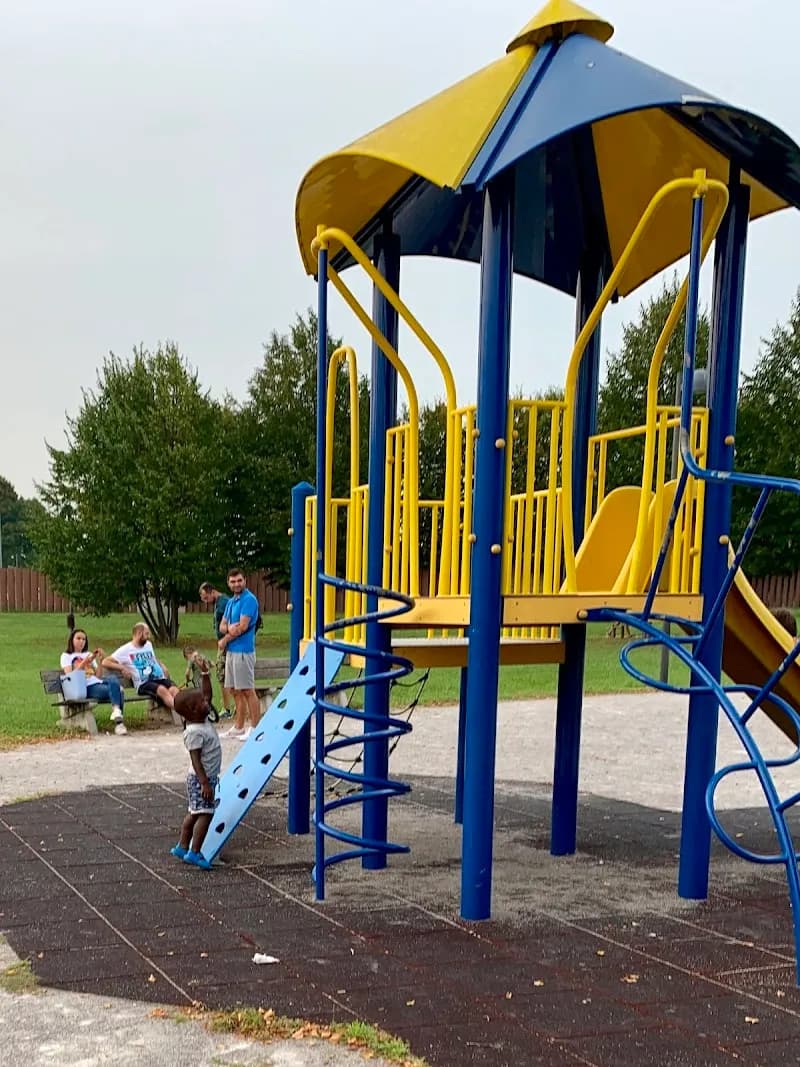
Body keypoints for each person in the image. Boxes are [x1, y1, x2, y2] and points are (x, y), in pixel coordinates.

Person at [170, 662, 220, 870]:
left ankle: (182, 846)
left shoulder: (201, 716)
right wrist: (204, 783)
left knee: (194, 812)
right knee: (205, 814)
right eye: (201, 701)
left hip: (203, 779)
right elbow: (196, 761)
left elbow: (207, 694)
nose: (206, 700)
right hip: (201, 779)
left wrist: (206, 673)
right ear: (192, 709)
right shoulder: (194, 732)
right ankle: (195, 852)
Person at [218, 568, 260, 741]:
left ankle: (256, 727)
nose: (236, 584)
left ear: (245, 581)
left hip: (243, 651)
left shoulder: (249, 600)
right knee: (234, 690)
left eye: (239, 580)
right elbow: (223, 625)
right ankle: (239, 726)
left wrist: (225, 639)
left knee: (248, 689)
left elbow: (242, 627)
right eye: (233, 581)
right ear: (228, 583)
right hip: (232, 652)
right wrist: (229, 629)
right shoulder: (231, 602)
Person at [61, 629, 127, 736]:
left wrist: (100, 661)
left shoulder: (88, 654)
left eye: (84, 639)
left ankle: (116, 712)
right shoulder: (66, 656)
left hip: (96, 682)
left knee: (113, 678)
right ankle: (119, 724)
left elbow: (98, 676)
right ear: (71, 640)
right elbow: (70, 676)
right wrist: (84, 663)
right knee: (119, 690)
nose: (81, 641)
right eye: (78, 638)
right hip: (84, 686)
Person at [102, 622, 180, 710]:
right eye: (146, 634)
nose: (149, 636)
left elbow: (153, 658)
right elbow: (105, 662)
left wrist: (162, 665)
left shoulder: (148, 645)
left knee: (174, 690)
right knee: (162, 690)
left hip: (159, 678)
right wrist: (122, 668)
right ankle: (182, 711)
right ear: (139, 633)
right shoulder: (126, 649)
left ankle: (184, 712)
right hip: (144, 684)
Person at [198, 581, 234, 717]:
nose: (206, 602)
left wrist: (225, 640)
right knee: (223, 674)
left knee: (223, 675)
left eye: (206, 598)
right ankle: (228, 707)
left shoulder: (224, 602)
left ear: (212, 591)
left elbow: (231, 622)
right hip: (222, 643)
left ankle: (227, 709)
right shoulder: (219, 603)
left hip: (227, 644)